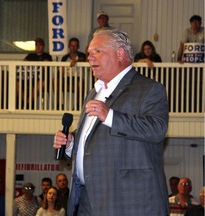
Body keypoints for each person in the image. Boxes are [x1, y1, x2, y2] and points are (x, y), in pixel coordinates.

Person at [53, 29, 169, 216]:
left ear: (120, 54)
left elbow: (156, 129)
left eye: (97, 51)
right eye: (89, 53)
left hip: (127, 202)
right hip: (87, 200)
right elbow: (93, 142)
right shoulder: (93, 93)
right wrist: (71, 144)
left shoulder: (149, 89)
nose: (90, 58)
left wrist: (110, 116)